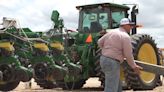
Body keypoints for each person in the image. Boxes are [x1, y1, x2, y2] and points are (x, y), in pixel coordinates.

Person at [97, 18, 143, 92]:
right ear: (125, 25)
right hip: (112, 62)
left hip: (103, 59)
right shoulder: (125, 36)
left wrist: (107, 50)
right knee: (111, 88)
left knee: (117, 86)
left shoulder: (111, 32)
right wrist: (134, 67)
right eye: (130, 25)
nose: (131, 27)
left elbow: (99, 42)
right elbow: (128, 55)